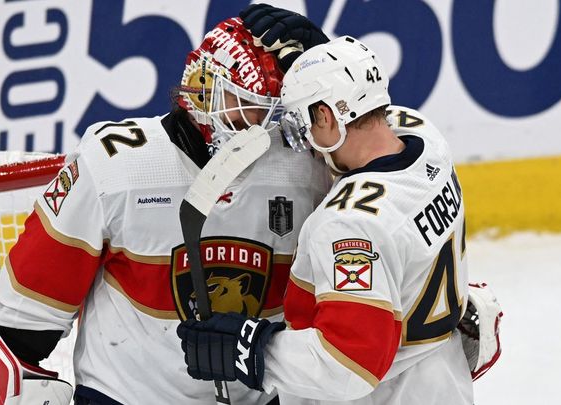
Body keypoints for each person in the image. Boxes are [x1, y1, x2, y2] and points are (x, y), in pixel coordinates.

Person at [0, 15, 334, 405]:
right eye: (250, 104)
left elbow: (386, 153)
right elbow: (27, 324)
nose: (262, 123)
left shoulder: (310, 167)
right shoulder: (115, 163)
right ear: (204, 91)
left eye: (273, 109)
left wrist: (330, 59)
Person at [178, 34, 503, 404]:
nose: (305, 143)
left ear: (325, 115)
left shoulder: (348, 227)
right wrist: (319, 60)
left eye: (303, 122)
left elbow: (349, 364)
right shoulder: (425, 139)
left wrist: (251, 351)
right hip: (444, 382)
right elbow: (360, 121)